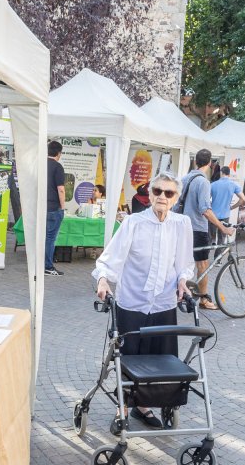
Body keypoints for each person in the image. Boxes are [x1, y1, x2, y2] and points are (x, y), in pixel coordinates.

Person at [93, 171, 193, 428]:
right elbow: (111, 257)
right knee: (129, 358)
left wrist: (183, 280)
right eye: (157, 190)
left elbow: (184, 263)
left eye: (168, 193)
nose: (161, 196)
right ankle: (122, 411)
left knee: (160, 359)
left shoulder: (181, 224)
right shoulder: (134, 223)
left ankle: (145, 407)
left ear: (176, 198)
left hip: (164, 303)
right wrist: (103, 279)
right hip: (133, 302)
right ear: (149, 193)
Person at [178, 149, 233, 308]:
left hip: (183, 226)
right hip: (196, 228)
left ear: (195, 161)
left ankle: (181, 292)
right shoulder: (203, 182)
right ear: (210, 163)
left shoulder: (186, 178)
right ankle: (204, 299)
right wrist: (223, 228)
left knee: (181, 262)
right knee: (202, 264)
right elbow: (205, 210)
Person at [44, 140, 66, 276]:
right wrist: (62, 207)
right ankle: (47, 266)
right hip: (53, 208)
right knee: (50, 238)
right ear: (59, 153)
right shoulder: (58, 167)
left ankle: (39, 264)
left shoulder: (41, 165)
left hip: (41, 207)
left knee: (42, 237)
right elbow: (61, 189)